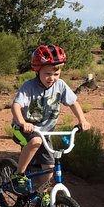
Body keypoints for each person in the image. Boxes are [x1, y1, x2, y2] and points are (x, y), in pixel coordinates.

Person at [10, 44, 91, 196]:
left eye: (56, 74)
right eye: (47, 73)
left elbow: (73, 102)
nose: (52, 78)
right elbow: (16, 106)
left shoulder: (60, 85)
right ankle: (18, 175)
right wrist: (22, 122)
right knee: (35, 142)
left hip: (46, 132)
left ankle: (42, 193)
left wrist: (82, 120)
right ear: (37, 70)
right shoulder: (29, 87)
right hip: (22, 128)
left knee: (50, 165)